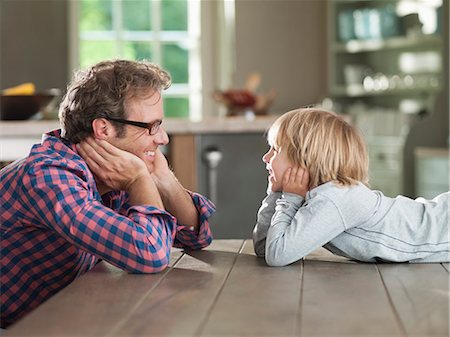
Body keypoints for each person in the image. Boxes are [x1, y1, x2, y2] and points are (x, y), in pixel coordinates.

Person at [0, 59, 215, 328]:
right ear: (103, 129)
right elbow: (150, 254)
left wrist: (164, 180)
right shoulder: (49, 177)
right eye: (151, 127)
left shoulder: (110, 174)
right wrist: (139, 179)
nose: (162, 139)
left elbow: (195, 236)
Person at [253, 108, 449, 266]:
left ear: (305, 158)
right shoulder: (315, 195)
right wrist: (276, 194)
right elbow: (264, 248)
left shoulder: (335, 198)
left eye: (275, 150)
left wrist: (288, 199)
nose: (266, 158)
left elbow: (277, 255)